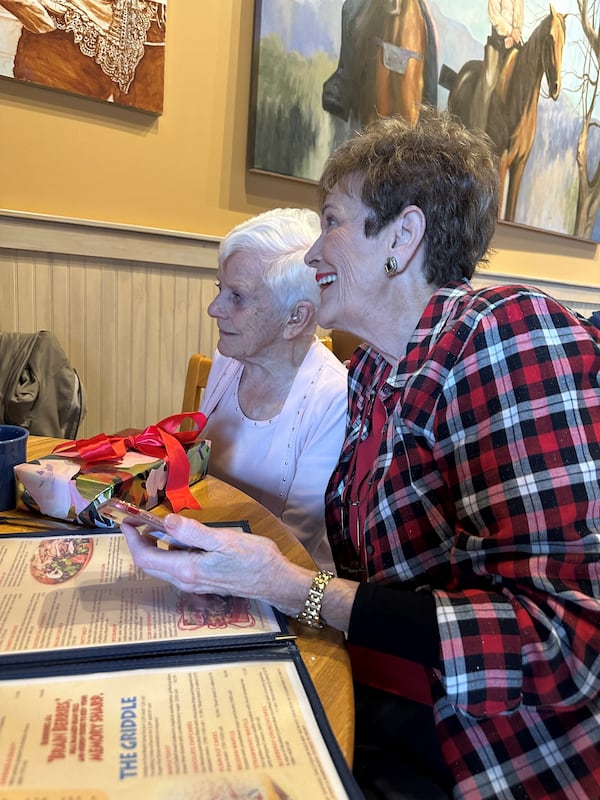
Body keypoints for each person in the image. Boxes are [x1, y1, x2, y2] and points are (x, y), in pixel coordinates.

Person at [123, 107, 600, 799]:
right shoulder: (377, 368)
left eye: (332, 222)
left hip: (480, 748)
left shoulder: (503, 335)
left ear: (402, 237)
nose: (314, 254)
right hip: (385, 686)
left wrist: (288, 587)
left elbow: (562, 643)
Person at [198, 208, 348, 572]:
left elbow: (293, 545)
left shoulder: (333, 399)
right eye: (221, 289)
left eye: (237, 296)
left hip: (282, 588)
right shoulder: (230, 360)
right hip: (205, 557)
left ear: (295, 318)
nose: (213, 308)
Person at [472, 0, 525, 131]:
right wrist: (509, 32)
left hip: (514, 43)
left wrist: (515, 34)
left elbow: (519, 20)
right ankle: (478, 128)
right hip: (498, 42)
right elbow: (494, 15)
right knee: (489, 80)